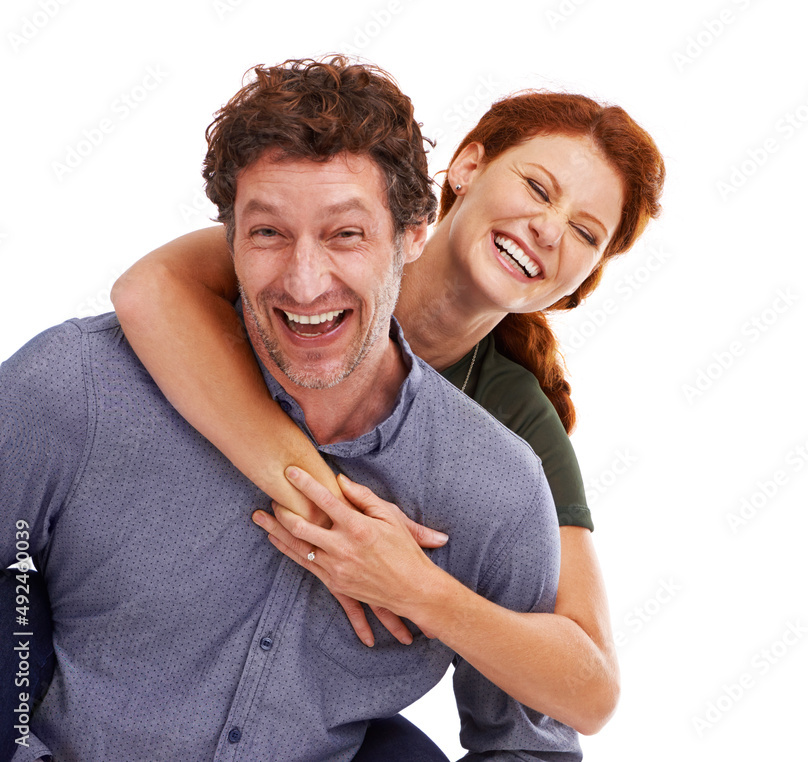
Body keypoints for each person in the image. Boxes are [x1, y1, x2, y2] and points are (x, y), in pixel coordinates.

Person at [0, 55, 582, 761]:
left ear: (413, 234)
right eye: (269, 233)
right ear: (230, 239)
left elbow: (529, 743)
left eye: (346, 234)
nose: (305, 283)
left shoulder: (495, 490)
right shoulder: (77, 390)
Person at [110, 64, 665, 753]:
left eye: (586, 233)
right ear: (466, 167)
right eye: (537, 188)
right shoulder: (324, 250)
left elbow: (590, 689)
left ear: (583, 280)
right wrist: (317, 507)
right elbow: (147, 289)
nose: (550, 231)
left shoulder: (513, 419)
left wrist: (418, 589)